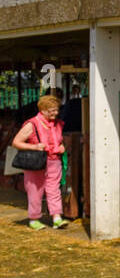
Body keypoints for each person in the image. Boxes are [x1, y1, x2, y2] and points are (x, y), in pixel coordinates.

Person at [11, 94, 67, 229]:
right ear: (42, 110)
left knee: (54, 189)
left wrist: (62, 147)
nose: (56, 113)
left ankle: (57, 217)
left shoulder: (58, 124)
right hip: (36, 162)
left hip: (54, 161)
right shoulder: (32, 124)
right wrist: (34, 146)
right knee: (35, 191)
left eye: (56, 109)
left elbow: (59, 140)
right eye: (52, 110)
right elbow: (16, 142)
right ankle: (34, 219)